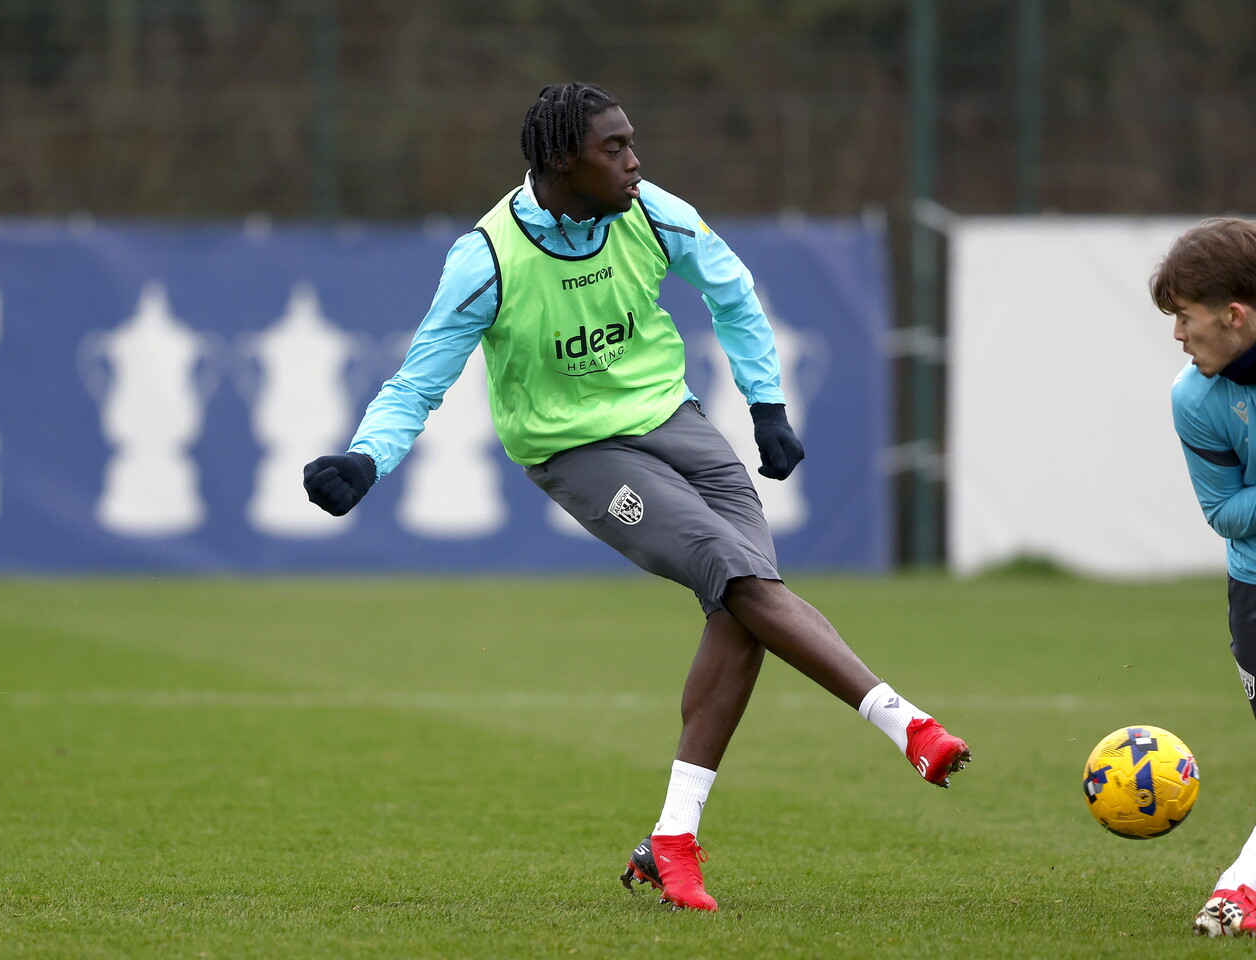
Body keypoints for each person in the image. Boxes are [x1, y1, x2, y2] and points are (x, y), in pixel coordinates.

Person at [303, 82, 970, 912]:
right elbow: (418, 381)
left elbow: (732, 289)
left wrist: (765, 404)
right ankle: (906, 725)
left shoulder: (653, 213)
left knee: (741, 608)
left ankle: (671, 840)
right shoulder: (488, 258)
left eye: (632, 142)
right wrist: (367, 456)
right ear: (559, 161)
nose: (634, 160)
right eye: (613, 148)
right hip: (574, 453)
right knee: (740, 578)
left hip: (675, 422)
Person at [1154, 217, 1256, 937]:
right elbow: (1224, 510)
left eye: (1185, 318)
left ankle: (1240, 892)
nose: (1178, 336)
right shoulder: (1194, 399)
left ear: (1235, 314)